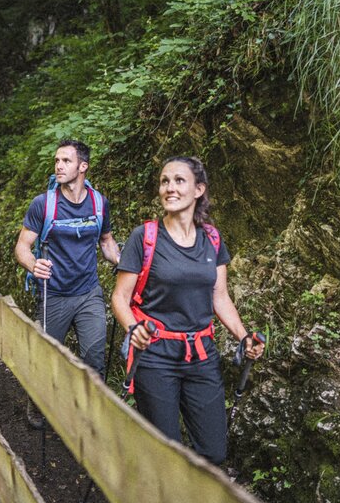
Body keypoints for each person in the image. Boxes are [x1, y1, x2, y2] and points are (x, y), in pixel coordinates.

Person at [111, 156, 264, 466]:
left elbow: (220, 297)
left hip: (200, 356)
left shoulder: (212, 239)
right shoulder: (145, 237)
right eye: (165, 181)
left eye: (179, 180)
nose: (170, 188)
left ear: (198, 189)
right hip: (154, 354)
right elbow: (119, 298)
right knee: (165, 452)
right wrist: (133, 328)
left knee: (215, 453)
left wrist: (244, 336)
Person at [15, 139, 121, 391]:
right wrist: (33, 265)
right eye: (57, 161)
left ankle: (91, 420)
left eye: (66, 161)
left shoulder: (98, 203)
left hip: (89, 294)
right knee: (46, 360)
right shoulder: (43, 204)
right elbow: (22, 247)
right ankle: (40, 408)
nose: (58, 166)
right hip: (53, 294)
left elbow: (106, 241)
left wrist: (122, 261)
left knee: (94, 360)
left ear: (82, 166)